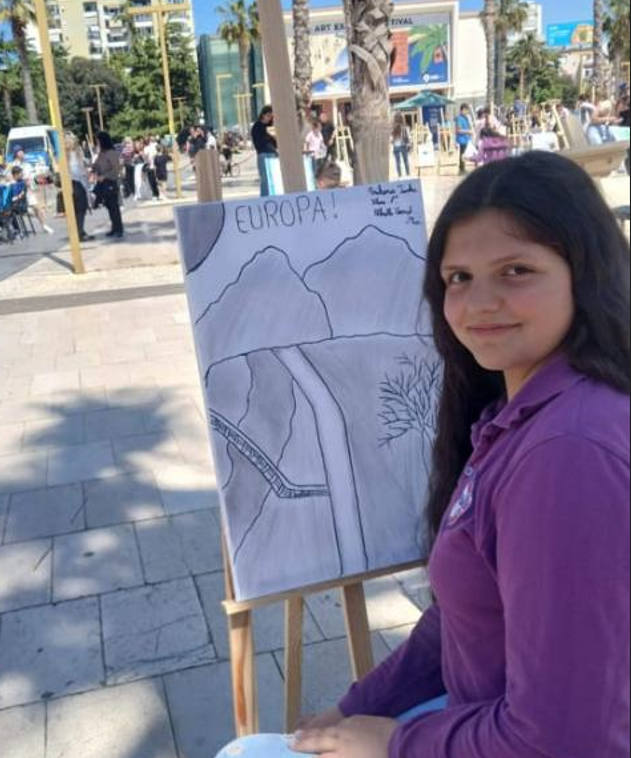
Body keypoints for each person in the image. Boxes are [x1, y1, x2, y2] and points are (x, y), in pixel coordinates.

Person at [215, 151, 631, 758]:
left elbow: (566, 741)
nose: (478, 302)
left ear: (585, 273)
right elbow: (460, 621)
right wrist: (356, 707)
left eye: (515, 270)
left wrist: (394, 742)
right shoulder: (515, 415)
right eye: (458, 277)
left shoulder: (567, 452)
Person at [5, 147, 54, 234]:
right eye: (20, 152)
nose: (22, 153)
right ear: (16, 154)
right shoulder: (12, 165)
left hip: (28, 189)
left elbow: (32, 176)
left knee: (36, 207)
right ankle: (15, 229)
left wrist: (38, 179)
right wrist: (16, 181)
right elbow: (7, 176)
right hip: (17, 190)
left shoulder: (27, 164)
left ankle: (44, 225)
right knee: (14, 208)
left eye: (22, 151)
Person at [92, 130, 124, 240]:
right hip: (103, 183)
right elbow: (96, 165)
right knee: (109, 207)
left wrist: (105, 176)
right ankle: (114, 227)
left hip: (110, 182)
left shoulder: (112, 153)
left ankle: (119, 229)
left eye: (98, 141)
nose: (97, 143)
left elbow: (116, 169)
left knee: (114, 207)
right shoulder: (102, 153)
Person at [64, 133, 93, 242]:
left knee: (80, 209)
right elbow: (75, 171)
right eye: (73, 141)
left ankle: (80, 230)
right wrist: (85, 172)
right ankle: (79, 232)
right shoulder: (69, 156)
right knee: (80, 209)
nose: (75, 143)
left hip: (79, 183)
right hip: (75, 183)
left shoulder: (76, 153)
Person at [252, 105, 278, 197]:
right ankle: (264, 197)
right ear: (263, 115)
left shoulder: (271, 126)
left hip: (273, 154)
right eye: (268, 116)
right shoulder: (257, 126)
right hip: (263, 154)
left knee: (274, 178)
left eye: (271, 116)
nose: (270, 118)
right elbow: (258, 142)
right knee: (265, 179)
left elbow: (276, 143)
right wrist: (269, 135)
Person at [454, 103, 474, 175]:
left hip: (466, 139)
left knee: (464, 154)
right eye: (465, 110)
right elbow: (458, 130)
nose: (466, 112)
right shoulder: (459, 119)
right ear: (462, 110)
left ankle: (463, 168)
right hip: (461, 139)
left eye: (467, 110)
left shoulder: (466, 118)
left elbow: (470, 126)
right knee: (462, 154)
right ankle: (461, 169)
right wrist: (468, 131)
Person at [391, 113, 412, 178]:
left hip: (396, 146)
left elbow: (391, 139)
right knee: (406, 161)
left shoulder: (393, 127)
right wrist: (409, 144)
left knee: (398, 162)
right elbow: (407, 137)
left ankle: (399, 176)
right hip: (403, 145)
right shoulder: (404, 127)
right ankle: (408, 174)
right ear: (402, 118)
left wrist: (393, 141)